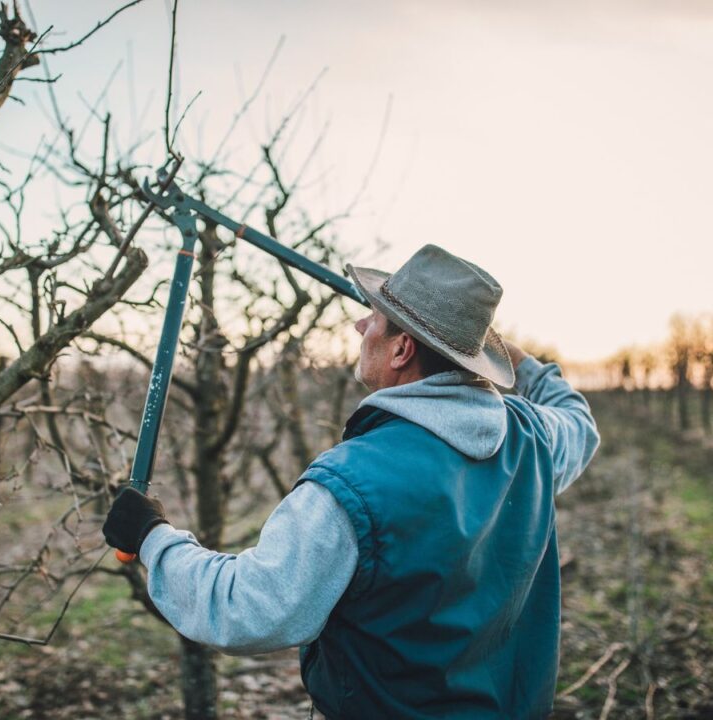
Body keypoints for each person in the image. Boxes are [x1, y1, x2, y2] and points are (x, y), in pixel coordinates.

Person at [103, 243, 600, 719]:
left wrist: (152, 537)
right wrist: (523, 363)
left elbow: (247, 609)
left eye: (375, 320)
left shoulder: (352, 485)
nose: (361, 323)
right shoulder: (533, 436)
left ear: (402, 348)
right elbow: (579, 422)